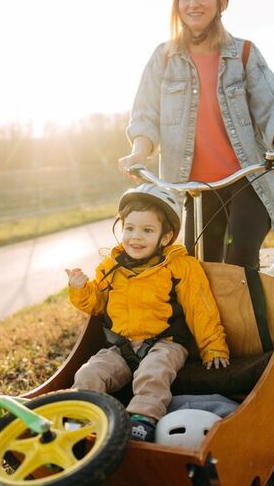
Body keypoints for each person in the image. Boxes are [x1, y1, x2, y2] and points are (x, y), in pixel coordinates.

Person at [118, 0, 274, 269]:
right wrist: (139, 152)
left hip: (248, 181)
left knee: (238, 263)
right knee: (195, 271)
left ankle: (254, 320)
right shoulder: (162, 58)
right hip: (195, 189)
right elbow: (144, 116)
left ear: (221, 2)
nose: (193, 3)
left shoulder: (243, 53)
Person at [66, 183, 229, 442]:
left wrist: (213, 347)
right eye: (129, 228)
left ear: (165, 237)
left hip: (166, 343)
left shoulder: (180, 266)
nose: (135, 237)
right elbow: (96, 305)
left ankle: (142, 420)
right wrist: (80, 289)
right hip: (121, 346)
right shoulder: (111, 266)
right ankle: (77, 421)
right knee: (89, 372)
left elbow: (201, 309)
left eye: (147, 230)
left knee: (153, 373)